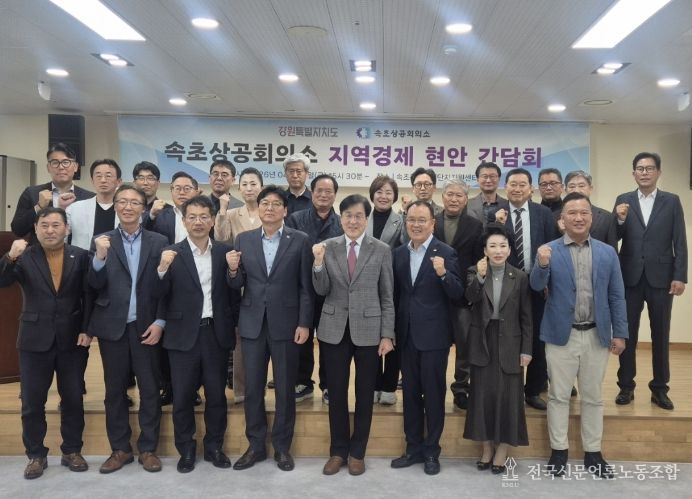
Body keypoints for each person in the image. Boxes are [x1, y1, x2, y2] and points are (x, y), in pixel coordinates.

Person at [531, 192, 628, 478]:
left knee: (593, 397)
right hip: (561, 335)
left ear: (592, 217)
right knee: (558, 396)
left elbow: (617, 295)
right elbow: (536, 286)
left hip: (597, 334)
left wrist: (620, 332)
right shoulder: (548, 250)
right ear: (562, 220)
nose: (578, 217)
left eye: (584, 212)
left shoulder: (607, 252)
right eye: (571, 213)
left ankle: (593, 452)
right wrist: (542, 264)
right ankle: (558, 450)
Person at [0, 207, 91, 479]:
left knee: (73, 399)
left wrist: (87, 329)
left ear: (66, 229)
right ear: (36, 228)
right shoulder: (24, 256)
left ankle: (72, 450)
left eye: (55, 225)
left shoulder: (80, 256)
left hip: (72, 339)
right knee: (32, 402)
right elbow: (2, 280)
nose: (50, 230)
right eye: (44, 225)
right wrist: (9, 256)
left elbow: (88, 295)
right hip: (33, 339)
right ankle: (36, 455)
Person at [228, 185, 314, 472]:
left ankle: (281, 447)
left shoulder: (300, 240)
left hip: (287, 325)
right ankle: (255, 446)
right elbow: (236, 284)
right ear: (259, 207)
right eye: (265, 203)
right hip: (252, 324)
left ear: (285, 210)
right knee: (253, 388)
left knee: (285, 390)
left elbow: (305, 287)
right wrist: (232, 270)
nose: (270, 208)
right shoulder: (244, 239)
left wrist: (304, 323)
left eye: (276, 203)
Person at [156, 196, 240, 473]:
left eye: (204, 216)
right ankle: (187, 449)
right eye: (192, 217)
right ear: (184, 221)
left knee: (216, 395)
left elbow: (235, 291)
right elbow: (158, 294)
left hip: (215, 333)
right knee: (182, 397)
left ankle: (214, 446)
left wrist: (233, 270)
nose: (198, 222)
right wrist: (162, 269)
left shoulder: (225, 252)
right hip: (182, 335)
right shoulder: (171, 253)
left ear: (213, 219)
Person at [87, 184, 168, 474]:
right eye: (122, 201)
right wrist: (99, 258)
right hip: (113, 327)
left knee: (150, 389)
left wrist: (160, 321)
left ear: (143, 209)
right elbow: (93, 286)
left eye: (134, 202)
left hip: (147, 326)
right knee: (114, 391)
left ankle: (148, 449)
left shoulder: (159, 241)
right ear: (116, 206)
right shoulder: (102, 241)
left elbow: (166, 287)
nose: (128, 206)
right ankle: (120, 449)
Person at [313, 194, 395, 476]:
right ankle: (338, 451)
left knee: (364, 394)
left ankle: (357, 452)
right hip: (333, 329)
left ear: (366, 218)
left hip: (370, 331)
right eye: (347, 215)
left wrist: (387, 334)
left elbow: (387, 296)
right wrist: (318, 263)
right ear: (341, 218)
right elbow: (321, 289)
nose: (353, 220)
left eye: (359, 215)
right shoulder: (327, 247)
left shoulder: (381, 249)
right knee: (335, 393)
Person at [390, 200, 463, 476]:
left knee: (433, 395)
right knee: (409, 394)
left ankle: (432, 451)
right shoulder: (398, 253)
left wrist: (443, 274)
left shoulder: (445, 252)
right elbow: (395, 295)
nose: (416, 225)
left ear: (433, 223)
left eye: (422, 220)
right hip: (406, 336)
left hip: (434, 337)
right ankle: (412, 449)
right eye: (411, 220)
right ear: (405, 222)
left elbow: (458, 294)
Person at [613, 152, 687, 410]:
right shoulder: (623, 200)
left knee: (661, 335)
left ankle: (660, 388)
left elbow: (680, 240)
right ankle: (626, 386)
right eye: (640, 168)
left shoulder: (672, 201)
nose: (644, 172)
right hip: (630, 278)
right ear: (633, 173)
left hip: (662, 279)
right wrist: (619, 219)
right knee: (627, 334)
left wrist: (680, 276)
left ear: (658, 172)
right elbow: (614, 235)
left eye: (649, 168)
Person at [464, 224, 532, 475]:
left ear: (510, 249)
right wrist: (481, 277)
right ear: (485, 250)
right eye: (492, 246)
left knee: (509, 398)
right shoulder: (475, 271)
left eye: (503, 245)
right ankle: (486, 449)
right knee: (482, 397)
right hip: (483, 340)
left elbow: (526, 317)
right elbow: (469, 297)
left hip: (511, 342)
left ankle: (502, 450)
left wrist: (526, 349)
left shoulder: (520, 277)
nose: (498, 250)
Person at [499, 168, 559, 411]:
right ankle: (508, 390)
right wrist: (495, 223)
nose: (517, 188)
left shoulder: (543, 214)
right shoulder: (496, 213)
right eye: (512, 184)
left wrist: (549, 283)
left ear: (531, 189)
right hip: (504, 287)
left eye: (522, 184)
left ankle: (533, 390)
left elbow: (553, 249)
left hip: (536, 286)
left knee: (536, 338)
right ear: (506, 188)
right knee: (506, 338)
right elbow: (488, 245)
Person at [286, 174, 343, 404]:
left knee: (330, 341)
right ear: (312, 193)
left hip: (332, 291)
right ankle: (303, 383)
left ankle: (328, 385)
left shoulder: (341, 222)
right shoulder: (296, 219)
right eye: (319, 190)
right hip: (302, 289)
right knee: (302, 337)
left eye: (329, 191)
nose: (323, 195)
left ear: (335, 195)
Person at [214, 167, 264, 404]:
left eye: (253, 184)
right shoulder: (232, 213)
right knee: (242, 339)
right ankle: (242, 390)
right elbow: (222, 239)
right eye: (244, 184)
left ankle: (263, 387)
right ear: (238, 187)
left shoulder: (269, 211)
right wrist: (223, 210)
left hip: (266, 282)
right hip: (239, 281)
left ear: (261, 187)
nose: (249, 188)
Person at [433, 179, 483, 411]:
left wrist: (472, 290)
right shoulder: (432, 221)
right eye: (450, 194)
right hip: (434, 293)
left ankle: (461, 388)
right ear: (443, 197)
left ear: (466, 199)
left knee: (464, 344)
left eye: (459, 195)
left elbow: (477, 261)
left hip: (463, 296)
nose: (454, 199)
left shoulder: (475, 225)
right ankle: (433, 387)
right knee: (435, 344)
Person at [365, 176, 403, 405]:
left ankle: (389, 386)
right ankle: (374, 384)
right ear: (372, 194)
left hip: (392, 282)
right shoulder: (363, 217)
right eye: (379, 191)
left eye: (389, 192)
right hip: (367, 284)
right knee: (370, 336)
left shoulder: (401, 220)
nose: (383, 196)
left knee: (391, 333)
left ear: (394, 196)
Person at [11, 143, 94, 244]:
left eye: (66, 162)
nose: (61, 167)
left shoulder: (89, 198)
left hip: (77, 253)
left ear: (75, 167)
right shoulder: (32, 193)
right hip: (40, 252)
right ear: (48, 168)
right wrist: (39, 207)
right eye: (55, 162)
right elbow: (17, 230)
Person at [66, 159, 122, 250]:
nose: (103, 180)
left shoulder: (126, 209)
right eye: (98, 176)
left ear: (118, 182)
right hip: (83, 258)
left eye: (108, 176)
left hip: (116, 258)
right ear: (92, 181)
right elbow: (62, 238)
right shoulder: (75, 209)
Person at [564, 170, 617, 250]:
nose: (576, 190)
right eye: (572, 186)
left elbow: (612, 252)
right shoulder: (555, 216)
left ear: (590, 189)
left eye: (581, 186)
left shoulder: (607, 218)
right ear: (565, 190)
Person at [145, 171, 201, 245]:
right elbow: (143, 234)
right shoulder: (160, 216)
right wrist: (151, 215)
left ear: (196, 192)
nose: (182, 193)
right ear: (171, 191)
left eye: (187, 188)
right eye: (177, 188)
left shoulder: (205, 216)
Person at [466, 162, 509, 227]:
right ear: (477, 179)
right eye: (485, 176)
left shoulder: (508, 205)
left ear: (499, 179)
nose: (488, 180)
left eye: (492, 176)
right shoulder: (466, 205)